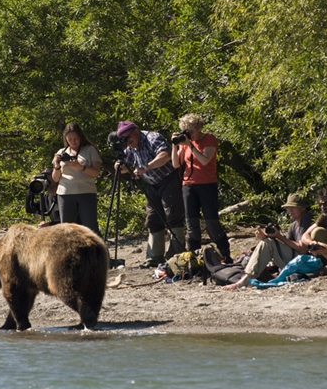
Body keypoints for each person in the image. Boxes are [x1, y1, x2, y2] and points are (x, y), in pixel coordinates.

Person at [115, 121, 185, 267]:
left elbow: (165, 156)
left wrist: (145, 167)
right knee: (153, 218)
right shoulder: (130, 147)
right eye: (125, 140)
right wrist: (119, 166)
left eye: (129, 138)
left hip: (169, 179)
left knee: (173, 215)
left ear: (135, 131)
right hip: (152, 184)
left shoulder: (152, 138)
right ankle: (154, 257)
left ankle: (176, 255)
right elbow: (125, 167)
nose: (128, 142)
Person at [169, 114, 231, 262]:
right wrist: (175, 145)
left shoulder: (209, 139)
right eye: (186, 132)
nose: (189, 135)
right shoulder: (185, 143)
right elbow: (175, 164)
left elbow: (204, 160)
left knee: (212, 225)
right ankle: (194, 259)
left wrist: (190, 145)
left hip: (207, 185)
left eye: (191, 131)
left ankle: (225, 255)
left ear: (199, 128)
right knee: (192, 226)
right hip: (188, 186)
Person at [223, 193, 314, 291]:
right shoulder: (294, 225)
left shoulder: (306, 219)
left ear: (303, 208)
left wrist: (278, 237)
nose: (289, 211)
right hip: (296, 261)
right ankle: (249, 278)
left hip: (307, 262)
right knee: (268, 242)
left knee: (269, 243)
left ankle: (244, 281)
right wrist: (267, 237)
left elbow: (303, 249)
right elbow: (288, 246)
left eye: (293, 207)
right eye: (288, 207)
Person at [51, 123, 101, 234]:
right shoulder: (61, 152)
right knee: (67, 229)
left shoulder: (90, 150)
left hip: (86, 192)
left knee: (90, 227)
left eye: (76, 139)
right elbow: (55, 179)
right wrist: (57, 165)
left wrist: (80, 166)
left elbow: (96, 173)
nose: (73, 142)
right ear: (66, 139)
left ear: (80, 137)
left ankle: (96, 250)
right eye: (70, 139)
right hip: (65, 193)